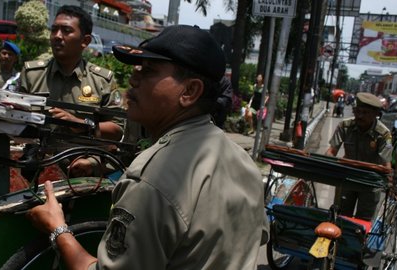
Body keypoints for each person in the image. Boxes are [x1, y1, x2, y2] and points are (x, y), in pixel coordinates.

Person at [28, 25, 268, 269]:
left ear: (190, 91)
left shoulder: (152, 180)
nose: (133, 78)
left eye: (149, 71)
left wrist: (57, 228)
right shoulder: (243, 162)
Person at [19, 5, 122, 141]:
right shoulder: (32, 74)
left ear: (85, 41)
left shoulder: (101, 80)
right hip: (37, 158)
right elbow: (15, 118)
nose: (57, 36)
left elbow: (117, 129)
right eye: (54, 30)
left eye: (66, 31)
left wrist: (81, 124)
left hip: (83, 158)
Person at [325, 92, 393, 221]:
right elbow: (331, 151)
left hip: (370, 182)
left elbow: (386, 163)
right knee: (339, 218)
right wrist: (327, 165)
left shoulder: (385, 135)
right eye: (357, 111)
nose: (360, 116)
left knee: (362, 224)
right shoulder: (344, 126)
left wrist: (389, 181)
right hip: (347, 177)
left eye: (365, 113)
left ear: (375, 114)